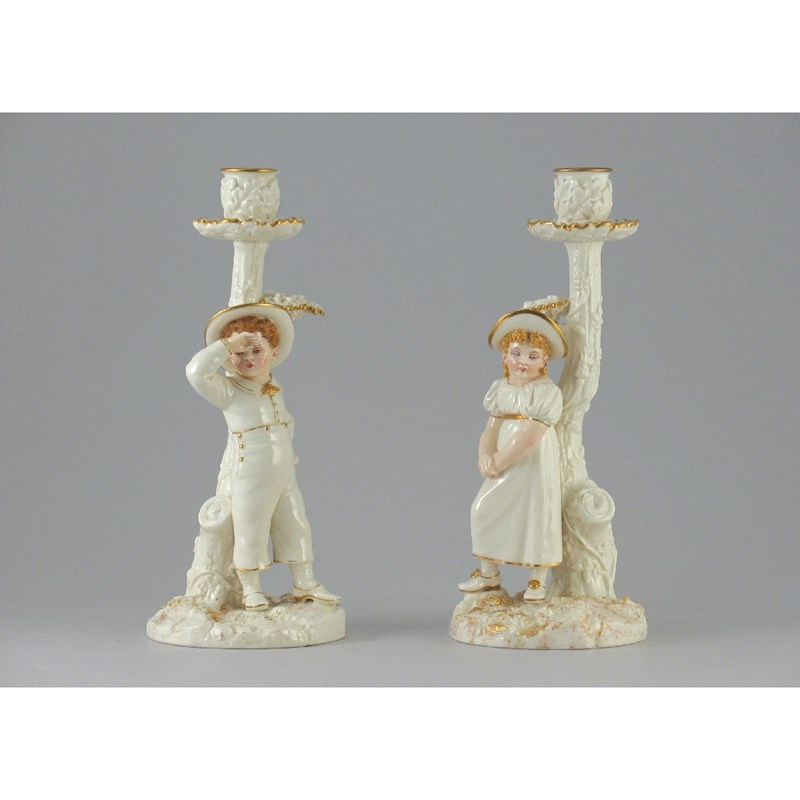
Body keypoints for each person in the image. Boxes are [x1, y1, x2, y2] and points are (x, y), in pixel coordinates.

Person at [186, 301, 339, 610]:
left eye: (256, 350)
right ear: (229, 358)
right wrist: (226, 344)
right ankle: (250, 589)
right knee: (250, 526)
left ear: (274, 352)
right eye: (239, 354)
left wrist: (289, 454)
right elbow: (196, 372)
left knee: (295, 523)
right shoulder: (228, 390)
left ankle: (305, 582)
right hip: (252, 470)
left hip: (283, 470)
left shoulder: (274, 386)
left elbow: (285, 421)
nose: (249, 359)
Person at [458, 307, 567, 602]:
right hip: (502, 462)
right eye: (516, 353)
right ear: (505, 356)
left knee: (536, 515)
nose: (523, 362)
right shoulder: (500, 389)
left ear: (544, 361)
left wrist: (501, 459)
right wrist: (485, 455)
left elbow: (529, 436)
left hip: (532, 462)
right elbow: (491, 428)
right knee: (482, 509)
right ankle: (489, 574)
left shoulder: (545, 393)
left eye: (533, 356)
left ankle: (537, 579)